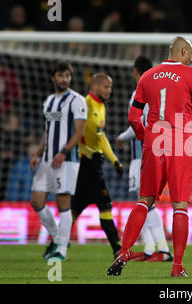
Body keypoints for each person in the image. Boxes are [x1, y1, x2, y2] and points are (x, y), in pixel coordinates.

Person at [107, 36, 192, 277]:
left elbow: (133, 117)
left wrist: (144, 137)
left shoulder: (147, 76)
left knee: (144, 201)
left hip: (154, 142)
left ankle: (124, 252)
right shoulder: (191, 74)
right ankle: (177, 266)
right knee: (180, 206)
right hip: (182, 143)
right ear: (184, 52)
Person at [115, 56, 173, 262]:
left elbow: (137, 123)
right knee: (144, 203)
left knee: (145, 203)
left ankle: (163, 249)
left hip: (142, 156)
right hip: (156, 153)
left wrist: (120, 138)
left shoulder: (139, 92)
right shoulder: (160, 92)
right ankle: (149, 248)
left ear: (135, 72)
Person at [30, 61, 87, 261]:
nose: (64, 79)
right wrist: (37, 154)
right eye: (60, 75)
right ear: (53, 78)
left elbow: (79, 132)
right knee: (36, 201)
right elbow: (48, 132)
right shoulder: (49, 102)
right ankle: (57, 236)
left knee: (63, 202)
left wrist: (63, 152)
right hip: (47, 160)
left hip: (67, 160)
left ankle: (61, 250)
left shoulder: (77, 101)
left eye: (67, 76)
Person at [71, 73, 124, 258]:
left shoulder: (101, 107)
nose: (109, 91)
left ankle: (56, 244)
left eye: (110, 87)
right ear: (94, 86)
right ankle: (118, 248)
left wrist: (115, 160)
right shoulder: (85, 105)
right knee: (105, 204)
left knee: (77, 206)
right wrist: (89, 153)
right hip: (85, 163)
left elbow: (101, 138)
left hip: (95, 163)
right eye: (106, 87)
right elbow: (75, 134)